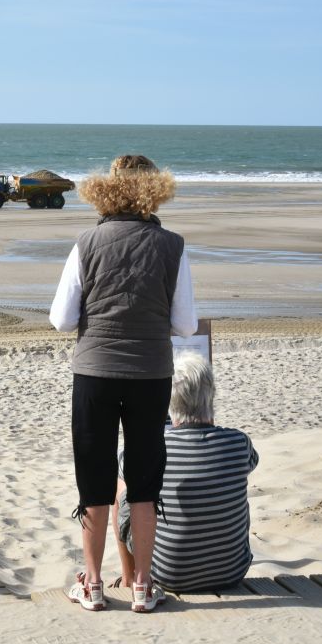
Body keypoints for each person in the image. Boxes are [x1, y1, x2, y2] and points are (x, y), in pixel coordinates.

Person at [50, 154, 197, 613]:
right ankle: (141, 586)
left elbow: (61, 320)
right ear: (155, 190)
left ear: (106, 189)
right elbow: (187, 325)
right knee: (144, 481)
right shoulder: (172, 245)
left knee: (93, 478)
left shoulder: (87, 242)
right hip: (151, 374)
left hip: (94, 372)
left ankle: (92, 584)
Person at [113, 352, 259, 591]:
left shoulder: (150, 447)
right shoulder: (239, 443)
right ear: (211, 395)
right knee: (231, 487)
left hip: (168, 576)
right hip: (233, 572)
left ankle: (130, 577)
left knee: (122, 487)